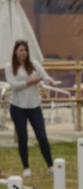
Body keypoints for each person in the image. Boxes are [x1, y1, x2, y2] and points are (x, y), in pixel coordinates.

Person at [6, 40, 53, 178]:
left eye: (25, 50)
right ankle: (26, 167)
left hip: (34, 105)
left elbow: (44, 75)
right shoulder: (10, 67)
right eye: (21, 50)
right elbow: (14, 85)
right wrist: (30, 81)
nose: (23, 53)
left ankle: (50, 165)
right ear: (16, 51)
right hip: (17, 106)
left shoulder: (34, 64)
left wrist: (48, 79)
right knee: (22, 136)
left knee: (42, 135)